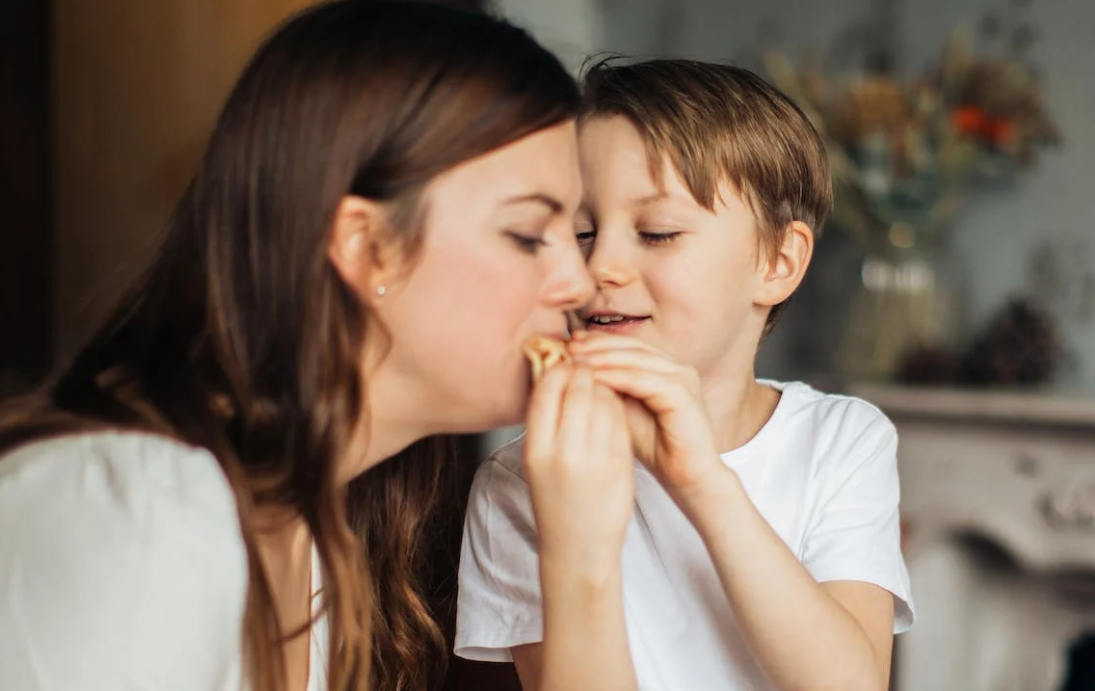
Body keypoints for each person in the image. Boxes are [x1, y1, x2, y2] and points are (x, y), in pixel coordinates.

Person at [0, 3, 637, 691]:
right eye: (524, 234)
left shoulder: (317, 534)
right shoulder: (141, 516)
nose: (579, 282)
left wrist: (582, 560)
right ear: (367, 246)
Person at [456, 58, 916, 691]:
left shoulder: (843, 441)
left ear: (778, 262)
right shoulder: (522, 484)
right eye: (582, 232)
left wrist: (701, 481)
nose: (601, 267)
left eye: (658, 232)